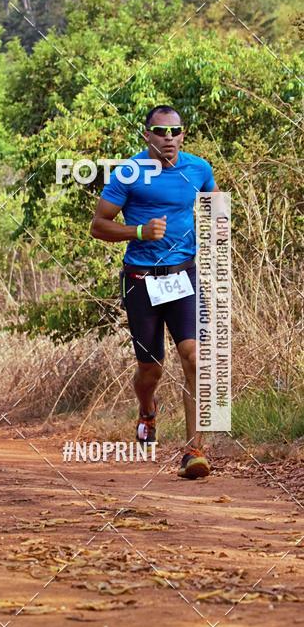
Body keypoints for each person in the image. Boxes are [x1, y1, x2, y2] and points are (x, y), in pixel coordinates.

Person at [90, 105, 220, 479]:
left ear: (183, 134)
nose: (169, 138)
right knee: (151, 368)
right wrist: (140, 232)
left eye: (175, 131)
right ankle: (147, 409)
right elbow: (98, 225)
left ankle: (194, 451)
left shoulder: (198, 169)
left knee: (194, 357)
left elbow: (216, 208)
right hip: (141, 279)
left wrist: (215, 229)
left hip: (183, 276)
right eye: (161, 131)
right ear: (147, 135)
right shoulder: (129, 173)